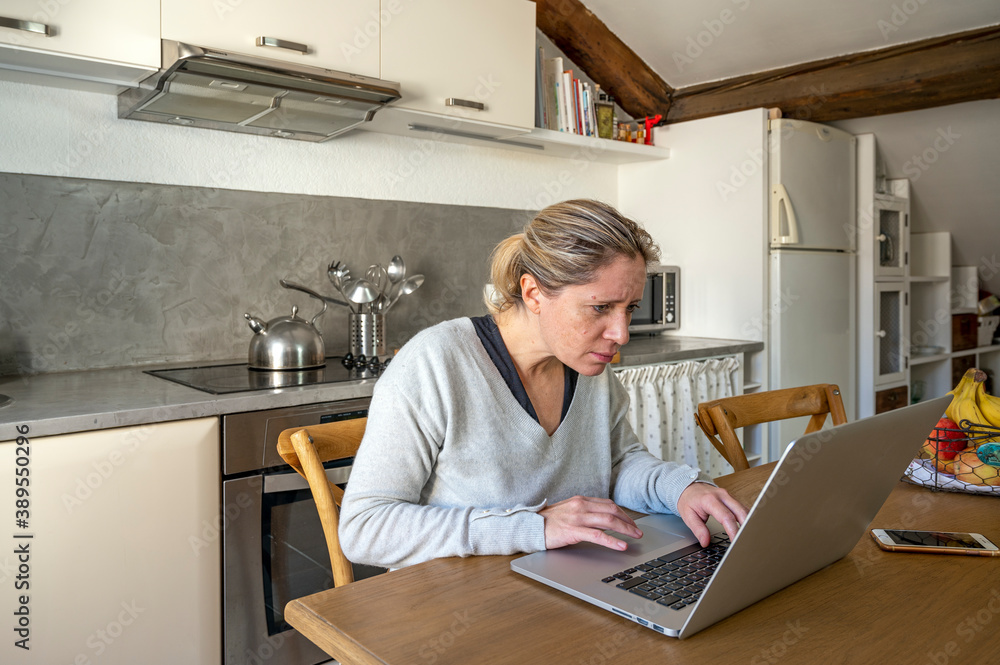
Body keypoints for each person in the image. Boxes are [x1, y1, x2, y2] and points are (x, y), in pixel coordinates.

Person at [339, 199, 748, 569]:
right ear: (533, 293)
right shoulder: (434, 363)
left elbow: (618, 464)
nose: (621, 334)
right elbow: (365, 528)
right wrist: (533, 527)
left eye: (630, 308)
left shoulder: (587, 366)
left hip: (564, 582)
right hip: (454, 605)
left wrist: (680, 489)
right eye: (600, 308)